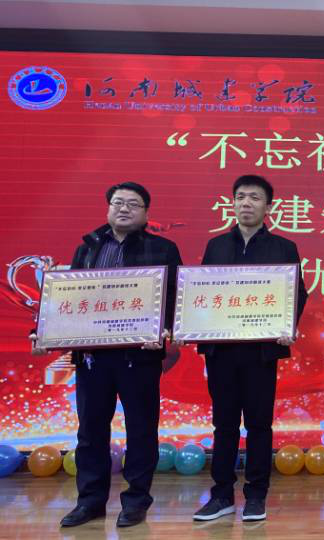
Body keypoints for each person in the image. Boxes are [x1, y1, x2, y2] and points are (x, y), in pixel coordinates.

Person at [30, 182, 182, 528]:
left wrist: (163, 330)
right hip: (92, 358)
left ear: (146, 213)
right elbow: (69, 300)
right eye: (117, 202)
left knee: (141, 430)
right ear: (108, 208)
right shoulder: (87, 248)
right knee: (90, 432)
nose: (124, 208)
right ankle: (90, 502)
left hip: (139, 357)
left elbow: (174, 297)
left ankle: (136, 501)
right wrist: (44, 332)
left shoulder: (163, 249)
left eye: (133, 204)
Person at [191, 175, 308, 523]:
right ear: (233, 203)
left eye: (254, 197)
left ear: (268, 206)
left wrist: (287, 326)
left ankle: (256, 496)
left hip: (260, 352)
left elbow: (297, 294)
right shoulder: (215, 246)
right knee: (224, 425)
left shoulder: (283, 247)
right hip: (222, 351)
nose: (246, 203)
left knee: (259, 425)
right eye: (240, 196)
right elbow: (202, 293)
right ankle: (222, 495)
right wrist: (191, 326)